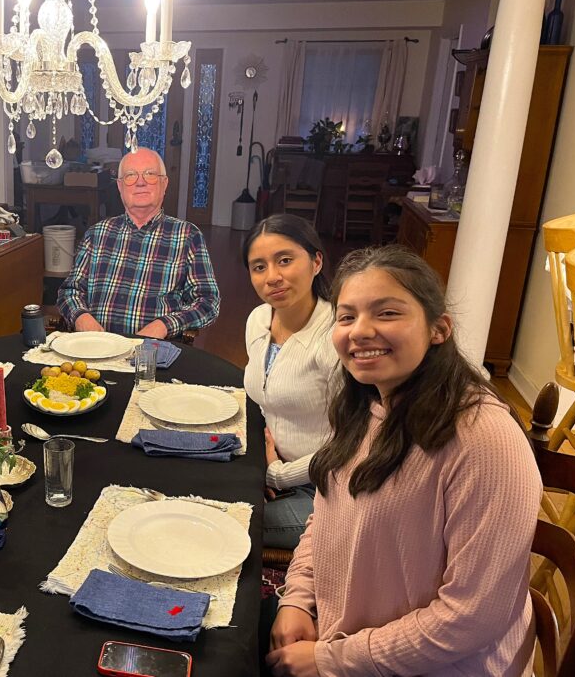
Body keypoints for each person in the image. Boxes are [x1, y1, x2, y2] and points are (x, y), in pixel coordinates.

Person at [267, 245, 541, 676]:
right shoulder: (364, 403)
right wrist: (297, 598)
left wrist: (330, 660)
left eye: (387, 313)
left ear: (439, 329)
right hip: (349, 642)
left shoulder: (485, 440)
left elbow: (472, 617)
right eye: (346, 316)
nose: (359, 331)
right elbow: (327, 513)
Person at [242, 215, 336, 551]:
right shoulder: (258, 319)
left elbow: (357, 445)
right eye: (259, 267)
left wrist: (279, 475)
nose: (273, 277)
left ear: (316, 261)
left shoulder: (336, 338)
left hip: (328, 488)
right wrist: (261, 465)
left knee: (233, 525)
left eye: (285, 260)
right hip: (274, 468)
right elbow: (264, 401)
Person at [56, 148, 220, 338]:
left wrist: (165, 325)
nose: (140, 182)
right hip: (96, 350)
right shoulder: (97, 233)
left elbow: (208, 302)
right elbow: (69, 291)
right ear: (119, 186)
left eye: (150, 174)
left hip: (153, 356)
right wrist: (81, 317)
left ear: (164, 183)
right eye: (130, 175)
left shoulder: (188, 236)